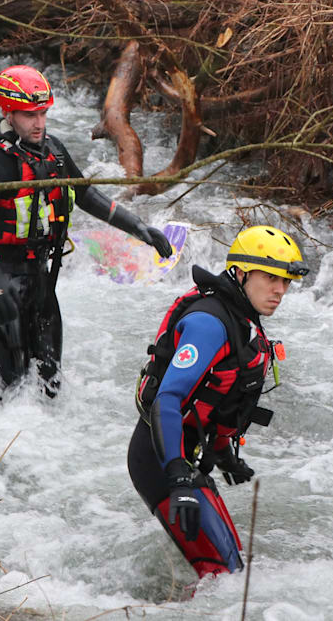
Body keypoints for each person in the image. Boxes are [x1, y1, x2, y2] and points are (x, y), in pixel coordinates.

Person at [0, 64, 172, 396]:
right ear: (8, 112)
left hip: (39, 278)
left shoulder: (52, 149)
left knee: (50, 384)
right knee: (14, 385)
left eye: (43, 113)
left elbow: (86, 194)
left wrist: (138, 227)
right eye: (29, 116)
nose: (39, 123)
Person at [127, 225, 310, 579]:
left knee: (233, 571)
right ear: (239, 273)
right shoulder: (209, 324)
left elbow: (222, 398)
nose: (280, 290)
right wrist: (178, 478)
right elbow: (167, 400)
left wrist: (224, 454)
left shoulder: (244, 320)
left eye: (286, 282)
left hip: (187, 460)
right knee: (221, 577)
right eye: (271, 278)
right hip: (160, 461)